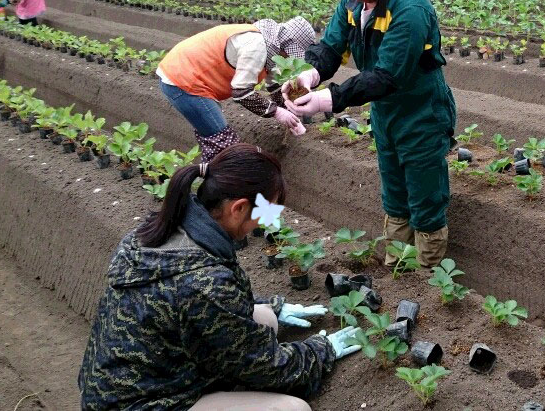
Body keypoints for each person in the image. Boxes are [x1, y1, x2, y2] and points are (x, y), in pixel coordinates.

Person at [78, 144, 360, 411]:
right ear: (237, 208)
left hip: (136, 376)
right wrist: (321, 350)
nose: (269, 222)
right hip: (142, 402)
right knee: (292, 408)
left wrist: (275, 307)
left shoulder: (170, 227)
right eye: (267, 211)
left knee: (265, 318)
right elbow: (268, 369)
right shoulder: (205, 283)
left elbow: (200, 307)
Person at [282, 0, 455, 269]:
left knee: (425, 196)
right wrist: (310, 73)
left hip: (420, 114)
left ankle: (429, 274)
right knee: (393, 191)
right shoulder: (354, 2)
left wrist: (328, 100)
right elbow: (332, 46)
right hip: (386, 115)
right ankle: (397, 265)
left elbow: (387, 76)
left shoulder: (409, 8)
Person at [156, 18, 315, 162]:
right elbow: (241, 93)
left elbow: (273, 85)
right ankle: (222, 190)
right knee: (224, 145)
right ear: (286, 45)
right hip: (184, 80)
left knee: (216, 144)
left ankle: (212, 183)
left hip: (186, 74)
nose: (289, 58)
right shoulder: (257, 47)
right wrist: (277, 112)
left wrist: (288, 108)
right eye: (291, 53)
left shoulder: (270, 46)